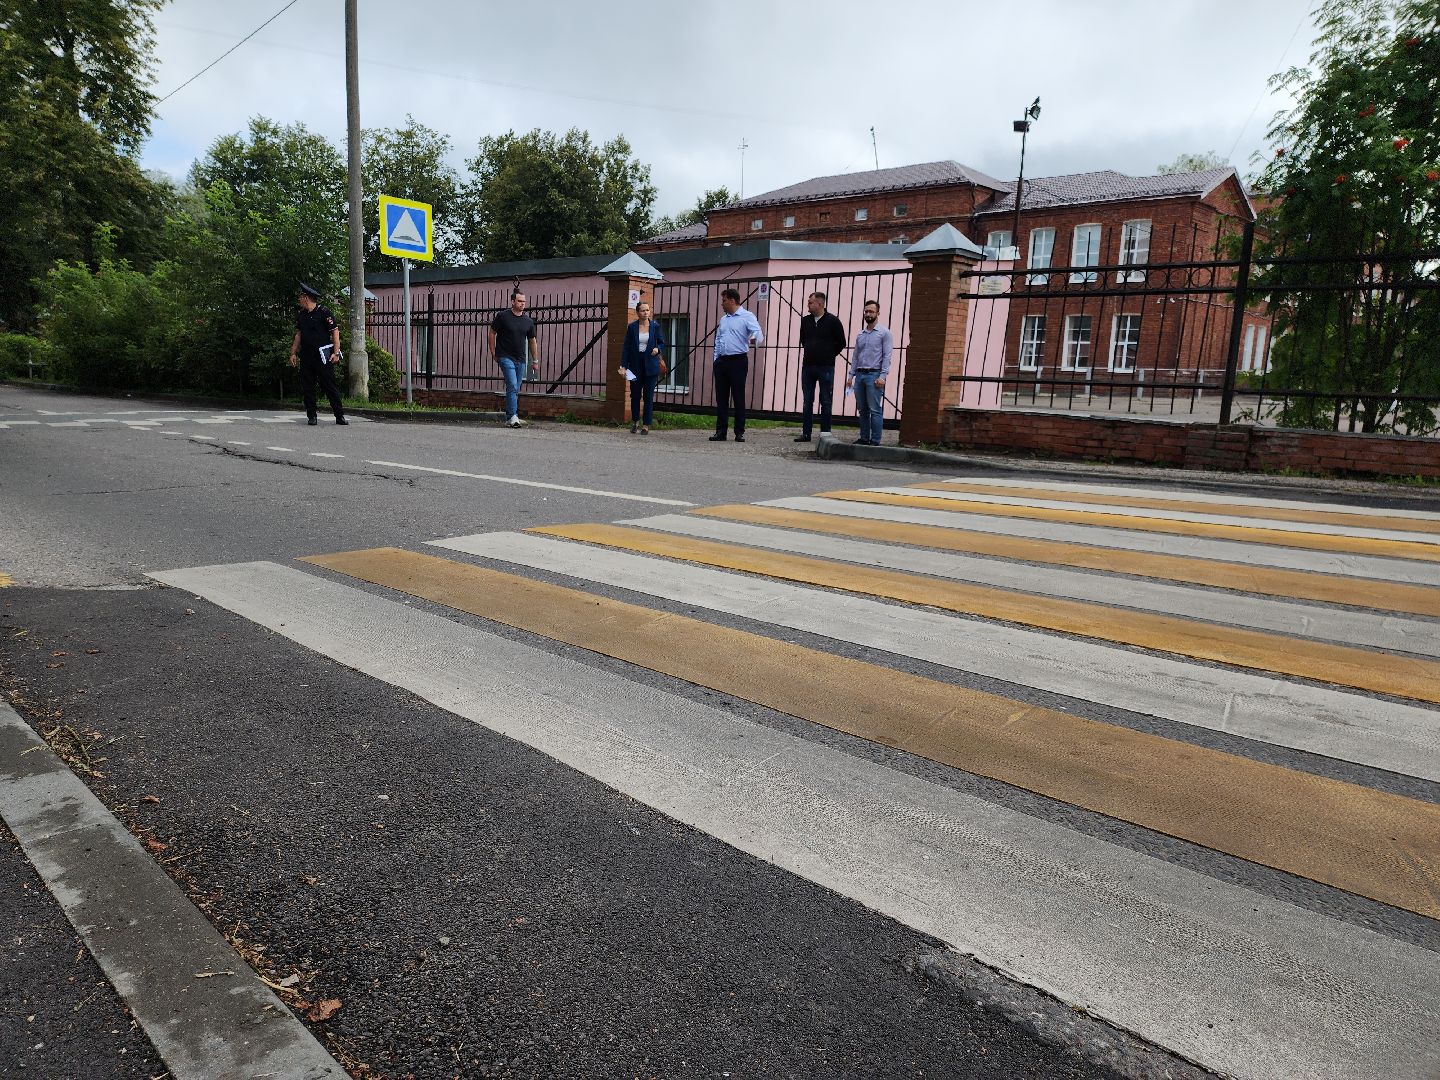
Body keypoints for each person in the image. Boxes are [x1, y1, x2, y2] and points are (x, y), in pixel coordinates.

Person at [289, 283, 347, 426]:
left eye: (300, 297)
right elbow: (298, 334)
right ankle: (312, 416)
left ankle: (339, 416)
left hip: (323, 357)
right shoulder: (301, 315)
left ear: (306, 298)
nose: (299, 300)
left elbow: (335, 332)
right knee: (308, 387)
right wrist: (293, 353)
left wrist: (336, 353)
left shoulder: (324, 312)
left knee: (329, 386)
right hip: (307, 357)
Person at [710, 287, 763, 443]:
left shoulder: (747, 316)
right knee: (721, 397)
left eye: (724, 300)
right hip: (722, 361)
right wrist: (716, 359)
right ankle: (721, 431)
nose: (722, 304)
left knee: (738, 396)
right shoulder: (724, 319)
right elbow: (718, 339)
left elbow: (758, 333)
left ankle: (739, 432)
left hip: (738, 360)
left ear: (732, 301)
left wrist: (754, 339)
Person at [795, 291, 846, 442]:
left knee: (825, 400)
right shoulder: (805, 321)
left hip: (826, 366)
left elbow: (841, 342)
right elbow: (803, 340)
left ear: (820, 304)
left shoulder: (833, 321)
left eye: (810, 302)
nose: (808, 305)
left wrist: (828, 354)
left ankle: (825, 432)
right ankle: (806, 433)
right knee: (807, 400)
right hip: (808, 366)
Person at [488, 291, 540, 428]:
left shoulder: (528, 321)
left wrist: (535, 361)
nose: (522, 304)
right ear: (513, 302)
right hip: (505, 356)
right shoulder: (503, 316)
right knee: (512, 385)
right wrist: (493, 352)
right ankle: (513, 417)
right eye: (519, 301)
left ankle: (511, 416)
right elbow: (492, 332)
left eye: (524, 301)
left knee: (515, 388)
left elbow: (532, 341)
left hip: (521, 359)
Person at [619, 300, 667, 434]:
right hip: (635, 366)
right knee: (635, 395)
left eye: (647, 310)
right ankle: (635, 421)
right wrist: (623, 366)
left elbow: (662, 342)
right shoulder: (632, 327)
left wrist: (658, 349)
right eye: (643, 310)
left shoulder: (655, 326)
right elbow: (626, 347)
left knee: (648, 396)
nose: (646, 313)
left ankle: (646, 425)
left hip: (651, 364)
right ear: (637, 312)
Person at [850, 299, 892, 445]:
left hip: (874, 375)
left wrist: (883, 376)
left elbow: (887, 356)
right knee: (862, 410)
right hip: (860, 375)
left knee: (875, 409)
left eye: (871, 311)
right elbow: (855, 356)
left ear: (878, 313)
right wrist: (851, 375)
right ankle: (864, 438)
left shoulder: (884, 333)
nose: (868, 314)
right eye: (866, 311)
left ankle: (875, 440)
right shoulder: (860, 335)